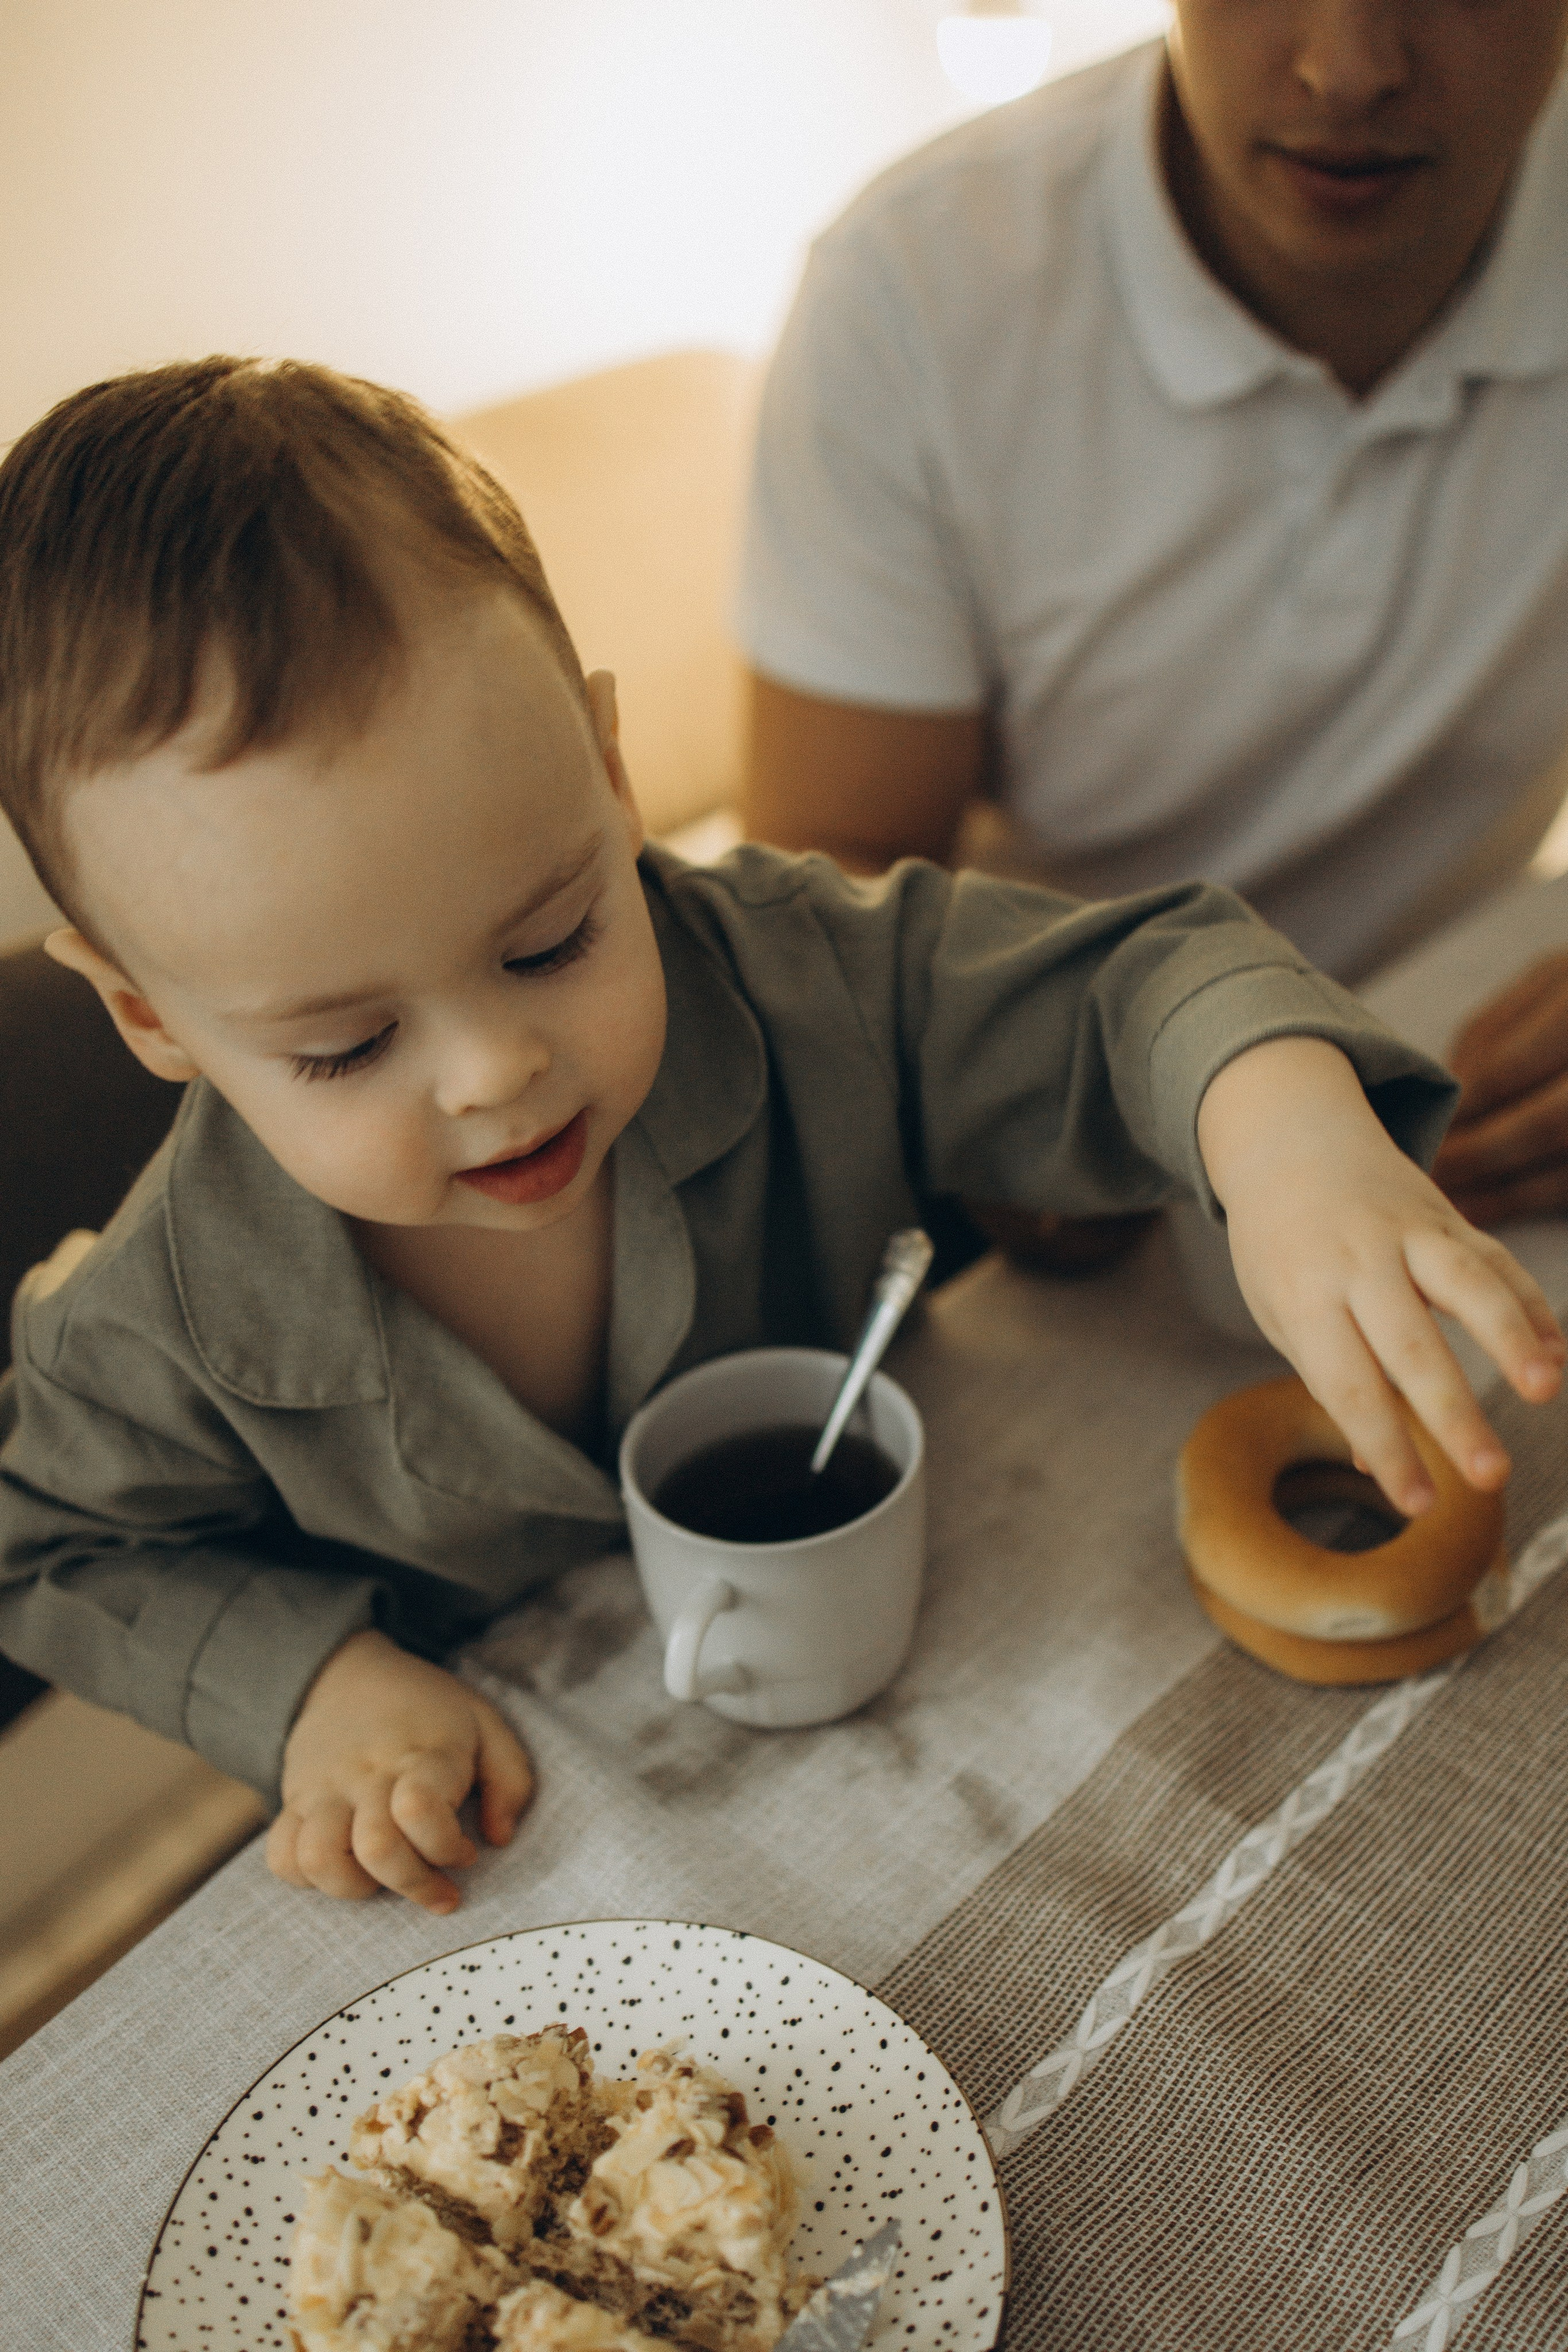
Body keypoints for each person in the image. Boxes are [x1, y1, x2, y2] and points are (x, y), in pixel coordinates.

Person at [0, 359, 1559, 1923]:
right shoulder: (148, 1335)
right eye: (344, 1045)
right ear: (147, 1017)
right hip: (544, 1874)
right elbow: (48, 1558)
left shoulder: (794, 972)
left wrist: (1280, 1132)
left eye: (549, 942)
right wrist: (312, 1685)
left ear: (608, 782)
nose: (496, 1073)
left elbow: (1132, 988)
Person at [738, 0, 1568, 1235]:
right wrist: (999, 1104)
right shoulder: (913, 288)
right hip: (1078, 1093)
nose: (1344, 70)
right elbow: (828, 886)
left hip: (1465, 1062)